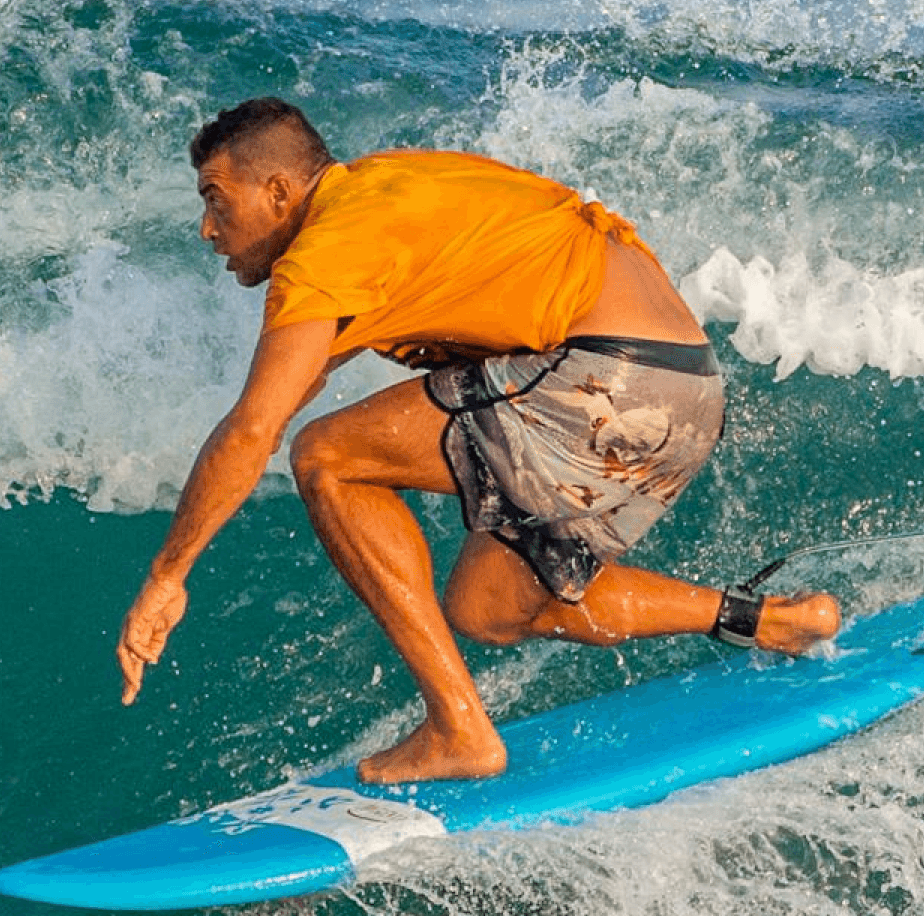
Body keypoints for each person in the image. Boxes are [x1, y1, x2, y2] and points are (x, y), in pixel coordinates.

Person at [116, 97, 839, 783]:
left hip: (610, 379)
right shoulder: (386, 189)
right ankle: (772, 622)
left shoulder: (327, 249)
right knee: (488, 607)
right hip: (687, 389)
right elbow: (283, 396)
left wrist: (167, 576)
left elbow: (254, 429)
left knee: (327, 457)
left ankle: (459, 729)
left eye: (215, 199)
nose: (207, 229)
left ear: (278, 192)